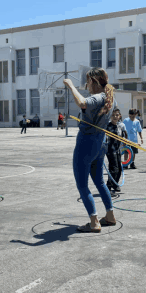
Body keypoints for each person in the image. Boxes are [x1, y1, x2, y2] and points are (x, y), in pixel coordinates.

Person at [63, 67, 117, 233]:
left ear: (94, 82)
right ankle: (110, 216)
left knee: (82, 185)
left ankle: (94, 222)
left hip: (86, 143)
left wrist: (71, 86)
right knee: (99, 181)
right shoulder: (109, 98)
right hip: (100, 143)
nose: (86, 86)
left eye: (88, 82)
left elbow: (83, 103)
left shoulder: (98, 97)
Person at [105, 108, 127, 193]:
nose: (115, 116)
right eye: (113, 115)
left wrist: (125, 141)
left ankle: (115, 184)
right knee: (114, 169)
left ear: (119, 116)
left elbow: (124, 135)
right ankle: (108, 187)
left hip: (118, 150)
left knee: (119, 169)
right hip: (110, 151)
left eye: (116, 115)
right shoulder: (107, 126)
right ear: (110, 116)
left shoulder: (120, 126)